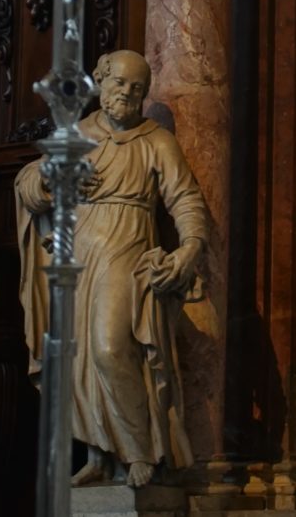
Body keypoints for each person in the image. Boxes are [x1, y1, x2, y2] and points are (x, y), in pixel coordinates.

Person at [14, 49, 209, 489]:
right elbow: (30, 187)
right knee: (76, 357)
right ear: (100, 83)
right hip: (78, 253)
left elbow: (185, 199)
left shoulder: (156, 141)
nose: (128, 94)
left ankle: (138, 450)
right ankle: (101, 456)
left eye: (138, 88)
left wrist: (190, 248)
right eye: (120, 83)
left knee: (109, 347)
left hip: (127, 247)